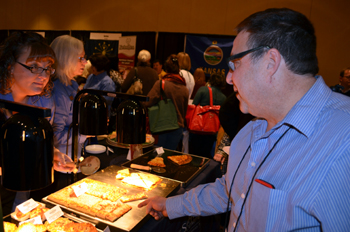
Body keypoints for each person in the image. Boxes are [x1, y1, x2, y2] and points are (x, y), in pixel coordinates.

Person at [138, 8, 350, 231]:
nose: (229, 78)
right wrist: (171, 205)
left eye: (235, 64)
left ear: (271, 62)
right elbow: (233, 190)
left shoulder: (342, 140)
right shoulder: (252, 129)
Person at [0, 31, 75, 209]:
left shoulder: (43, 101)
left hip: (23, 193)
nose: (43, 75)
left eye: (47, 68)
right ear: (9, 66)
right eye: (33, 66)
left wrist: (52, 154)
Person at [50, 35, 88, 188]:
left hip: (70, 159)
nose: (85, 62)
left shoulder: (71, 84)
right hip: (61, 164)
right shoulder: (58, 90)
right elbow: (56, 135)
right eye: (80, 58)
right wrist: (85, 133)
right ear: (66, 59)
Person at [144, 54, 188, 150]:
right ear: (178, 69)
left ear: (166, 69)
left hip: (161, 127)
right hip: (178, 129)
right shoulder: (185, 88)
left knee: (157, 157)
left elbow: (148, 102)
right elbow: (184, 111)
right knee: (169, 156)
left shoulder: (160, 84)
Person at [189, 73, 226, 159]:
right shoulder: (224, 98)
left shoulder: (203, 90)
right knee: (205, 155)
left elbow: (194, 105)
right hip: (212, 131)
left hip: (197, 128)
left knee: (194, 153)